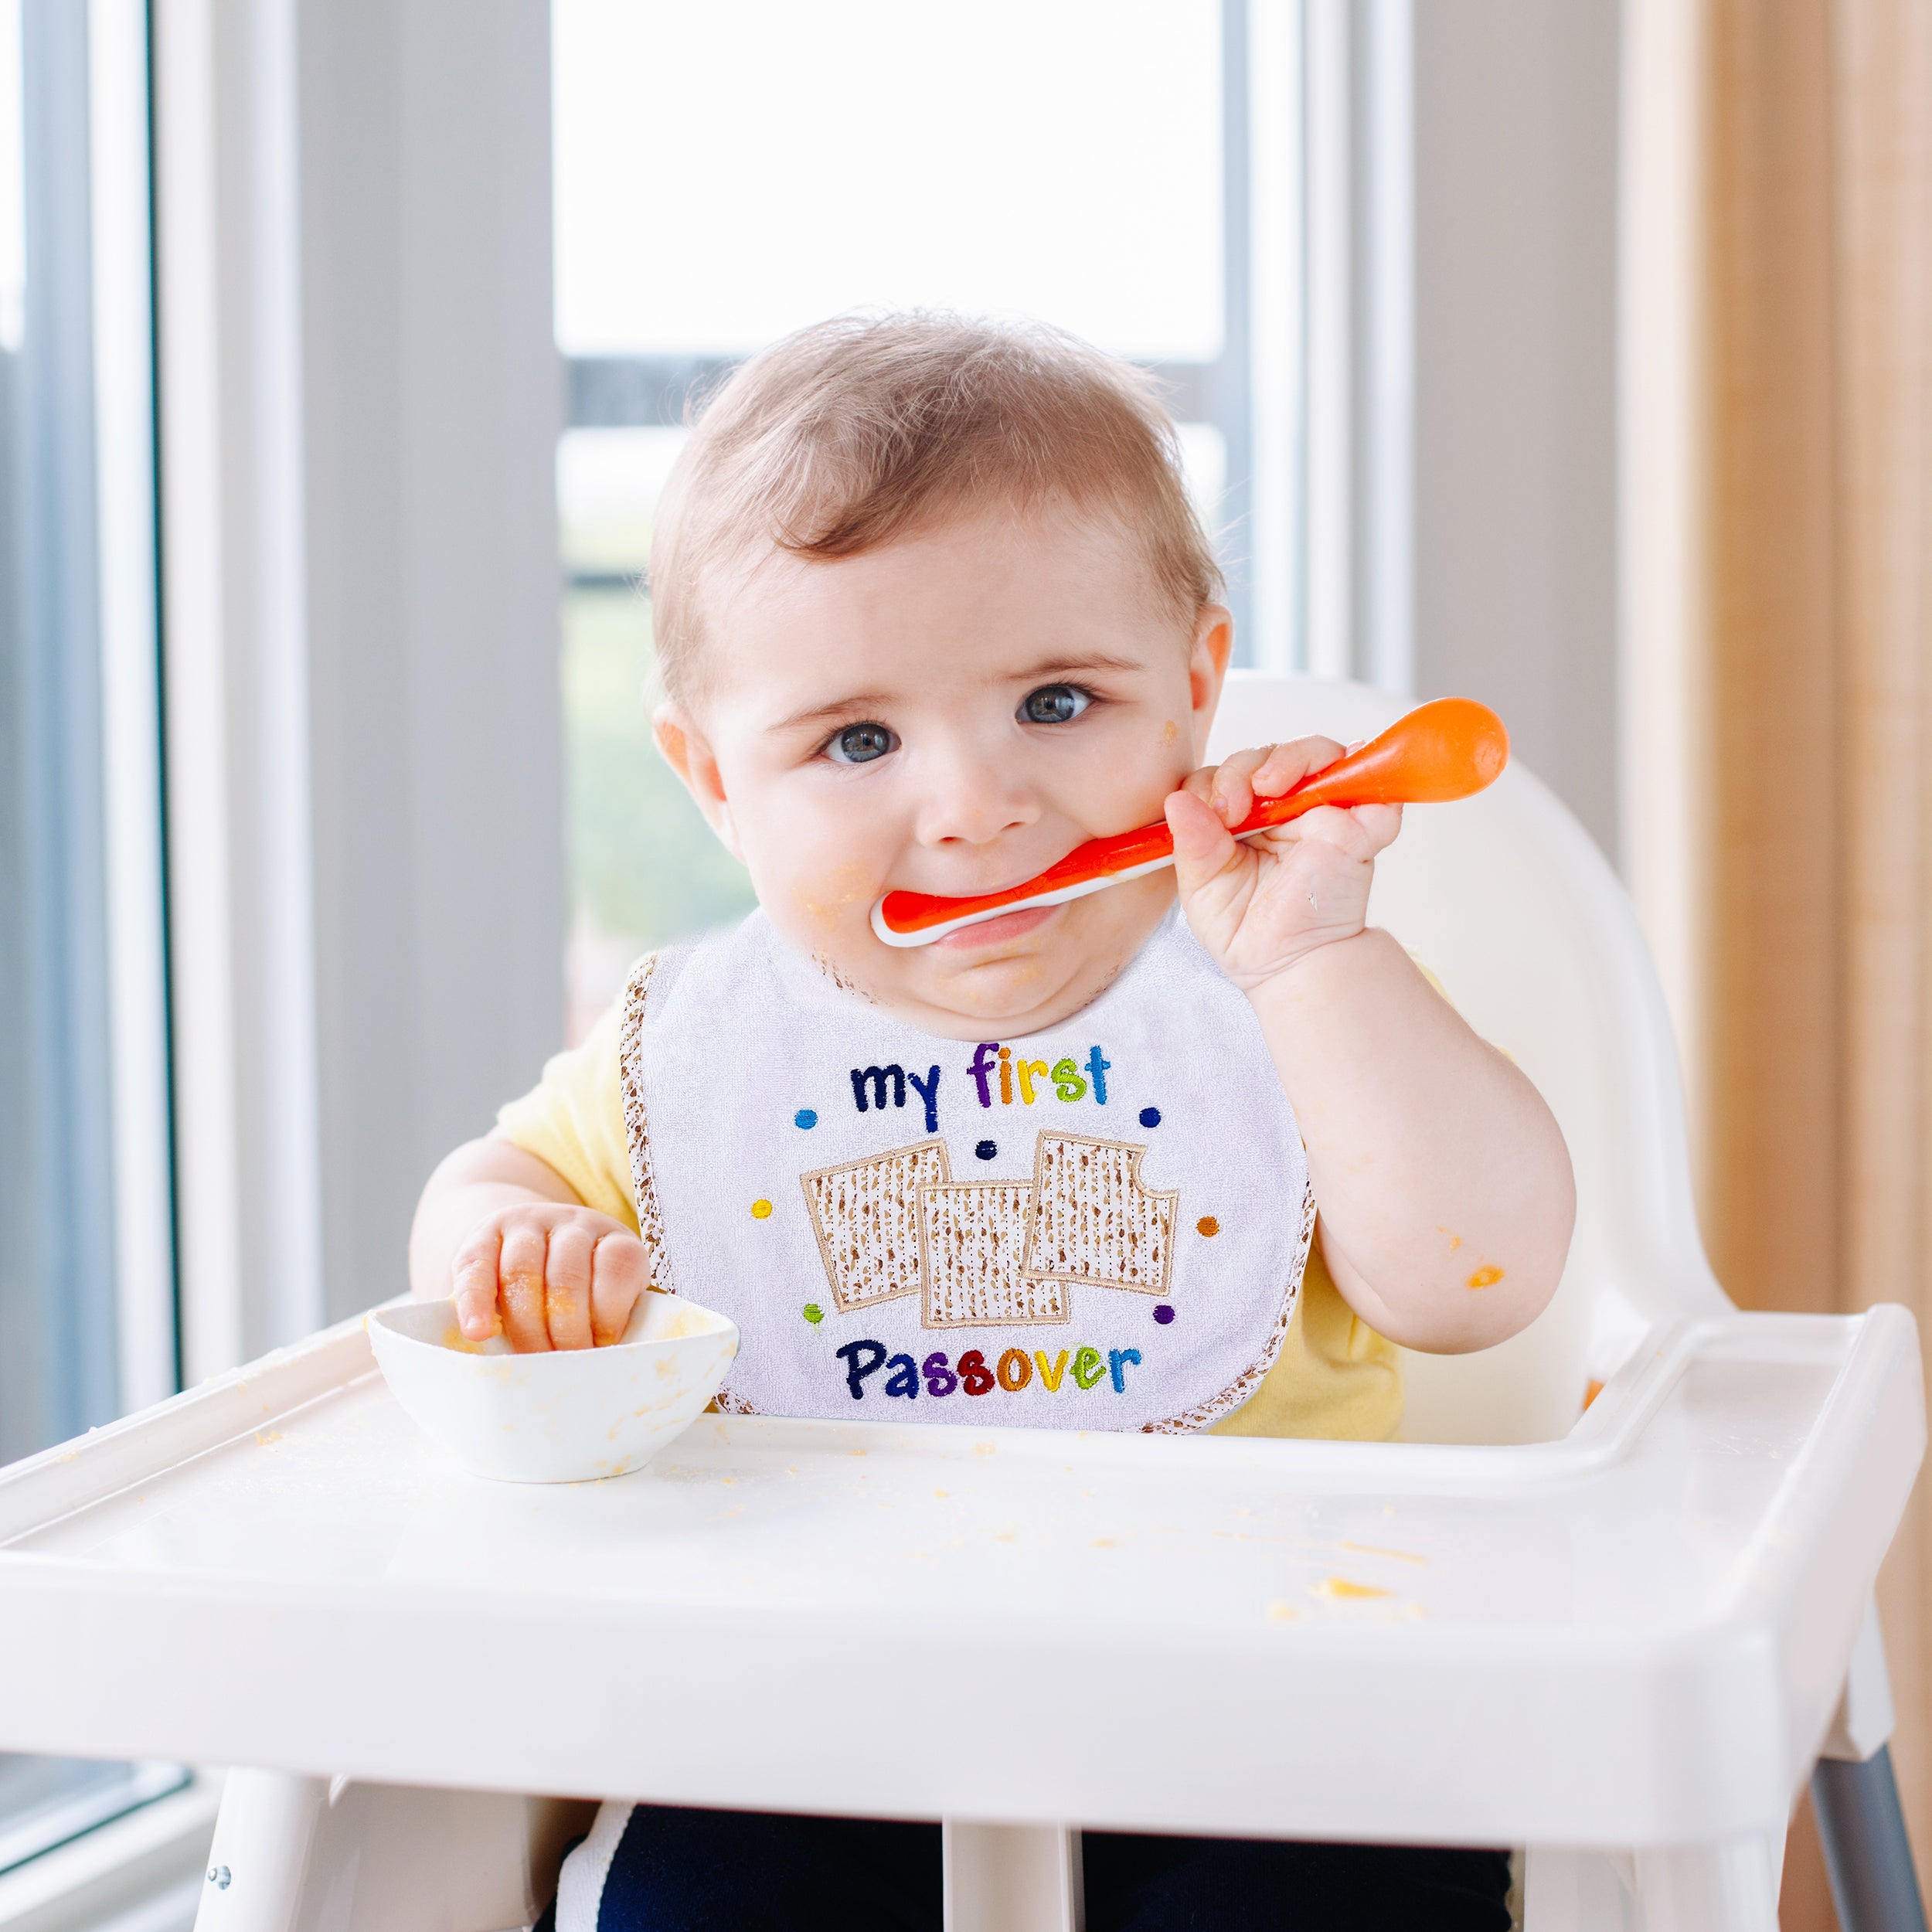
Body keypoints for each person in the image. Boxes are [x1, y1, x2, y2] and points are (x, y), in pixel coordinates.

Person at [410, 313, 1573, 1932]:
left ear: (1190, 690)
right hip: (806, 1742)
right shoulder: (699, 1051)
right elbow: (489, 1183)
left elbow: (1481, 1280)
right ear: (709, 778)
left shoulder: (1273, 983)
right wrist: (512, 1248)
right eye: (857, 739)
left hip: (1267, 1733)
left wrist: (1315, 959)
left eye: (1055, 701)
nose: (971, 802)